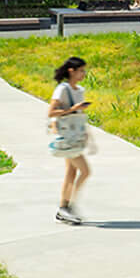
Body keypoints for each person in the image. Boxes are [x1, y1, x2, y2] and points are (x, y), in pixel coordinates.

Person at [47, 55, 94, 224]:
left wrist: (88, 135)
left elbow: (79, 116)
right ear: (71, 71)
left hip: (75, 136)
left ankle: (63, 208)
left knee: (71, 173)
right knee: (86, 171)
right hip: (66, 137)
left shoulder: (79, 90)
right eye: (80, 70)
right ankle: (69, 206)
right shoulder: (62, 89)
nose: (83, 73)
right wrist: (72, 109)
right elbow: (51, 112)